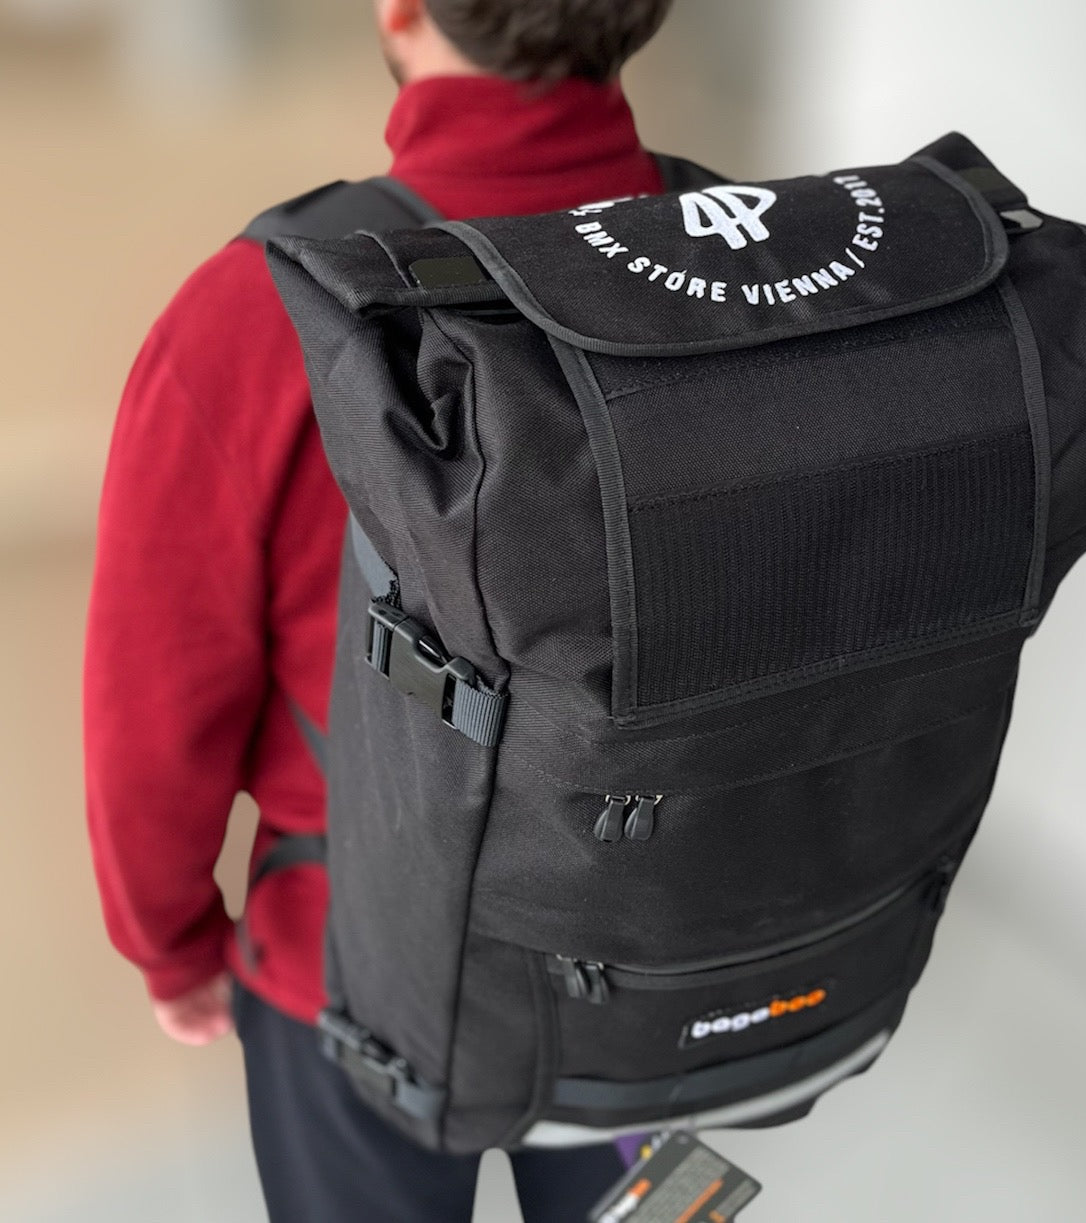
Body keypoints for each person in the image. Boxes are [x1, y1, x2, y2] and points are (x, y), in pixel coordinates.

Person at [83, 2, 680, 1219]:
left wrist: (173, 942)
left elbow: (154, 702)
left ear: (401, 9)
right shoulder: (747, 265)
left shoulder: (261, 309)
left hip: (356, 973)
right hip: (663, 940)